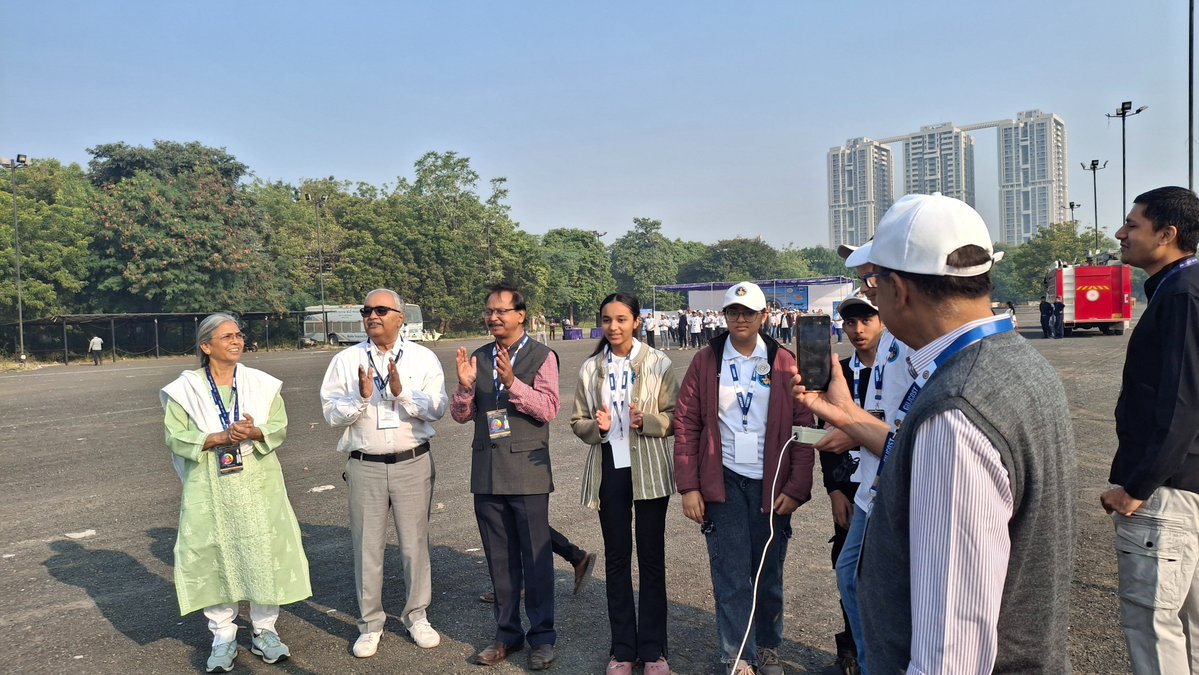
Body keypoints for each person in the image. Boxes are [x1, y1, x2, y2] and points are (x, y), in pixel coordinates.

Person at [796, 193, 1076, 673]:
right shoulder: (1017, 364)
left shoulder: (957, 409)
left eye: (873, 284)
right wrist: (849, 416)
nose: (872, 299)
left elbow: (953, 644)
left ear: (899, 289)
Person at [675, 281, 816, 675]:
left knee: (768, 572)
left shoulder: (784, 361)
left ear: (763, 317)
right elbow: (686, 423)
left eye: (748, 313)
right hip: (724, 481)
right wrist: (689, 486)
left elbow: (803, 425)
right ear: (725, 317)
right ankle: (739, 656)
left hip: (771, 482)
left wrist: (797, 487)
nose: (741, 319)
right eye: (734, 312)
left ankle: (768, 648)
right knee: (732, 574)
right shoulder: (706, 361)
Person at [160, 313, 311, 673]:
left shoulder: (261, 384)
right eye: (226, 336)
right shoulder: (185, 390)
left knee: (263, 549)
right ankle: (223, 635)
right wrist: (220, 438)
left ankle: (264, 631)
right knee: (213, 552)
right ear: (206, 346)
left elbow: (279, 426)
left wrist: (253, 432)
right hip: (210, 484)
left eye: (239, 334)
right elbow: (175, 436)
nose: (236, 340)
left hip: (258, 482)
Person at [1101, 186, 1199, 673]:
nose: (1121, 233)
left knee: (1153, 623)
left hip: (1170, 488)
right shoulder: (1182, 289)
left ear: (1167, 235)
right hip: (1189, 484)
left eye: (1133, 225)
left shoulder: (1182, 293)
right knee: (1191, 626)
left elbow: (1181, 401)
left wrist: (1138, 486)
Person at [319, 289, 448, 658]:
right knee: (367, 547)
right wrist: (360, 398)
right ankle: (370, 623)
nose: (371, 316)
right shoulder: (347, 359)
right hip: (366, 465)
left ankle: (416, 615)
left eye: (380, 310)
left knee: (414, 545)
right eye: (367, 310)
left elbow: (437, 408)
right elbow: (330, 412)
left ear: (400, 317)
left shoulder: (422, 358)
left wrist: (401, 391)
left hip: (412, 461)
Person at [451, 282, 560, 670]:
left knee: (536, 559)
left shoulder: (542, 356)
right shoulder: (477, 358)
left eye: (502, 311)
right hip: (487, 471)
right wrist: (465, 389)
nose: (493, 317)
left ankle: (543, 637)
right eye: (489, 311)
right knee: (499, 559)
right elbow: (462, 415)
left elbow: (548, 409)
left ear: (521, 315)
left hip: (527, 472)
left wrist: (514, 384)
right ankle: (506, 634)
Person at [570, 293, 679, 675]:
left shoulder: (658, 363)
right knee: (616, 560)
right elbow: (577, 421)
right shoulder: (590, 368)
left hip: (649, 470)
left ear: (636, 321)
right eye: (606, 320)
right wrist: (595, 429)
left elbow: (675, 416)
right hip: (609, 470)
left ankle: (653, 651)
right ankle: (622, 650)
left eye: (621, 319)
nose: (613, 327)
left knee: (651, 559)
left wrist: (647, 421)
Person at [817, 295, 885, 675]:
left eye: (866, 321)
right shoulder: (838, 372)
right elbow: (826, 437)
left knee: (884, 571)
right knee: (847, 568)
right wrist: (833, 490)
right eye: (850, 323)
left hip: (886, 485)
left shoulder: (899, 371)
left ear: (883, 322)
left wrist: (858, 436)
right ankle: (852, 648)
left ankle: (880, 650)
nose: (857, 330)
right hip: (851, 489)